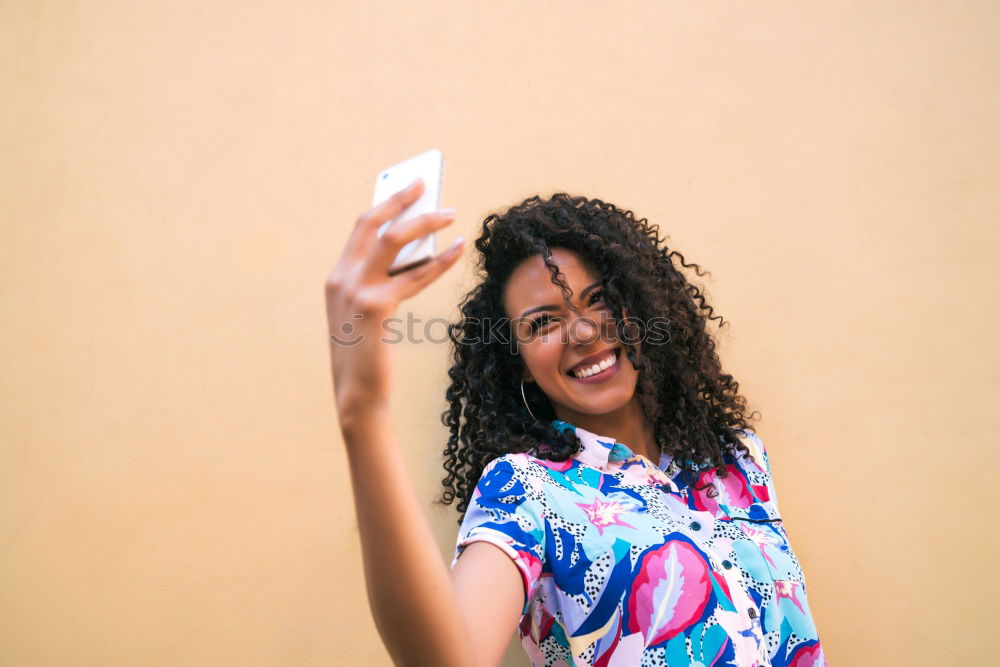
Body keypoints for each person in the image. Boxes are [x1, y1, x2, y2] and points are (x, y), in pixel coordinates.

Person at [325, 178, 825, 666]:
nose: (584, 331)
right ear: (518, 361)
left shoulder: (737, 458)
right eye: (542, 323)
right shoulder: (526, 489)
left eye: (600, 298)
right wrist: (362, 415)